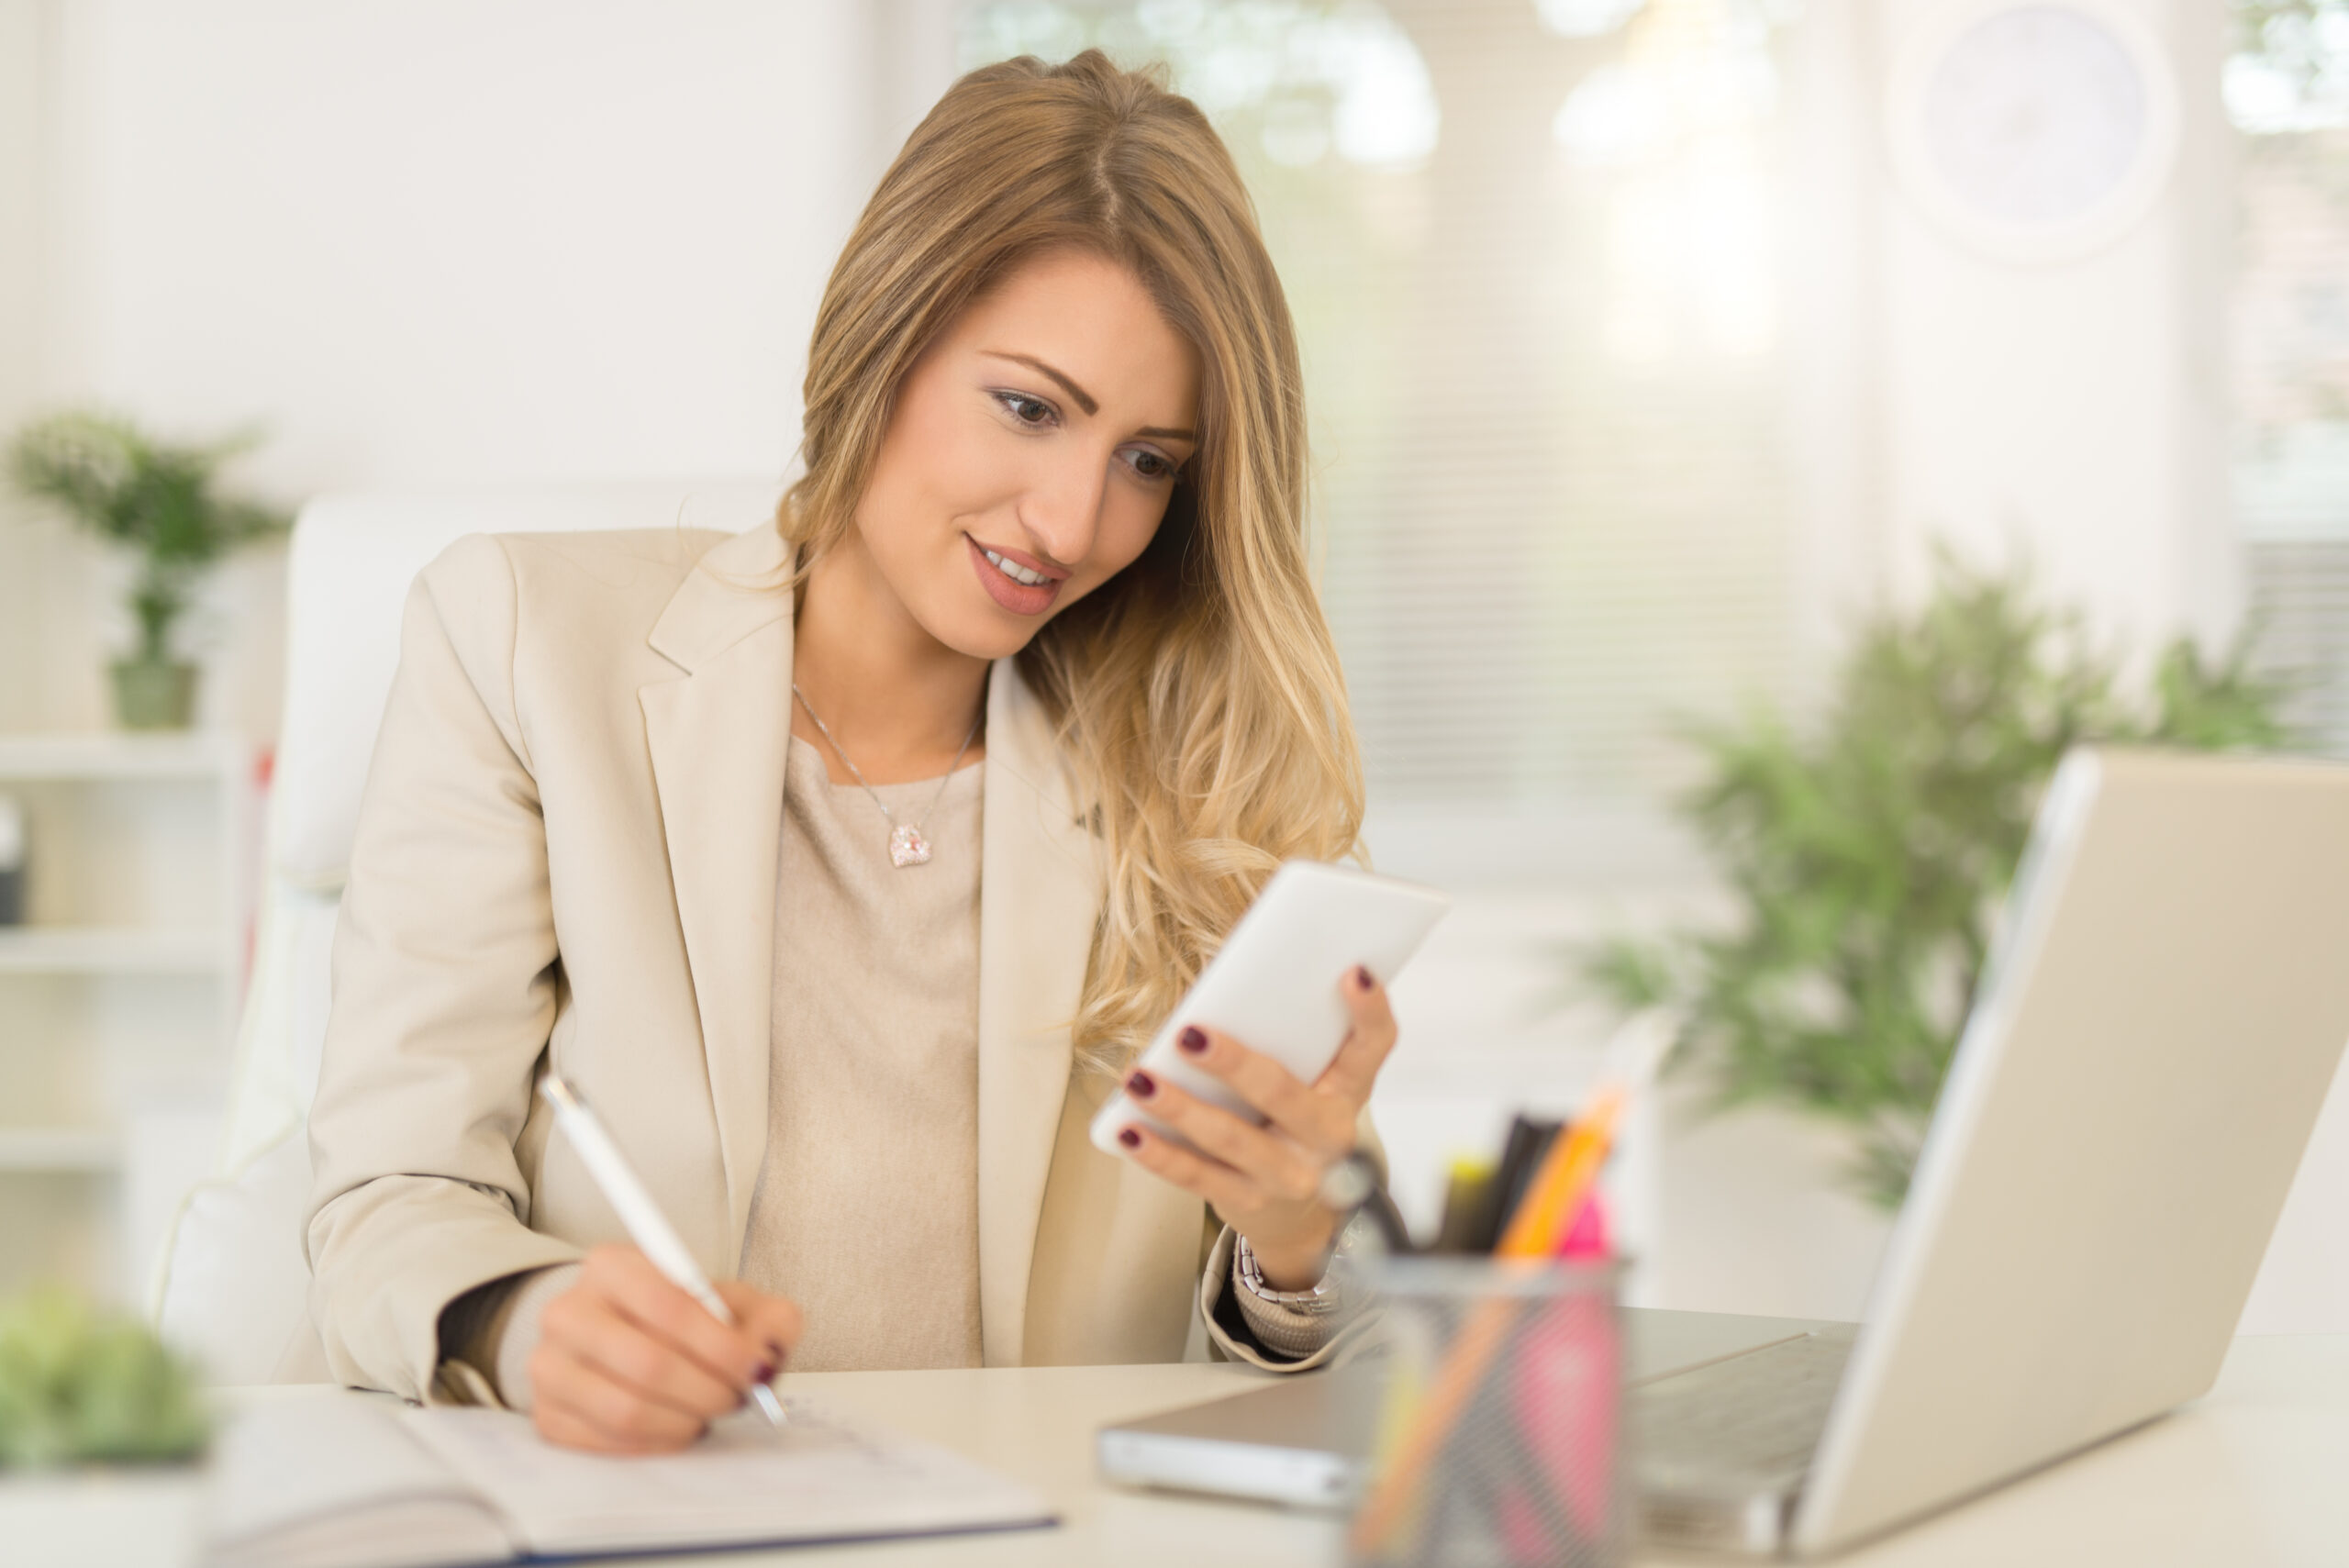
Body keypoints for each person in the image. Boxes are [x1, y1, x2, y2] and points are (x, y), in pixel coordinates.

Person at [303, 50, 1397, 1454]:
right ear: (884, 332)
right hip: (649, 1522)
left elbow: (1362, 1362)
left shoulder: (1191, 766)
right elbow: (383, 1199)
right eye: (1029, 405)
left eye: (1148, 461)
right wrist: (526, 1325)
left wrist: (1296, 1240)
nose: (1070, 521)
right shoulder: (524, 641)